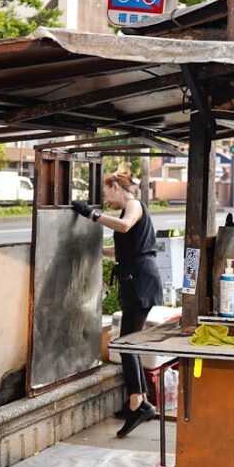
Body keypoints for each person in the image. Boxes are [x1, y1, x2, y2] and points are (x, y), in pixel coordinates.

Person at [72, 170, 161, 438]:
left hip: (141, 279)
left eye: (105, 193)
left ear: (115, 185)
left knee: (125, 344)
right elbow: (122, 248)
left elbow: (124, 226)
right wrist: (95, 250)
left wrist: (91, 214)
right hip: (137, 277)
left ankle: (137, 402)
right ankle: (142, 401)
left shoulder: (133, 205)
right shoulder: (127, 209)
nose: (105, 200)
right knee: (128, 342)